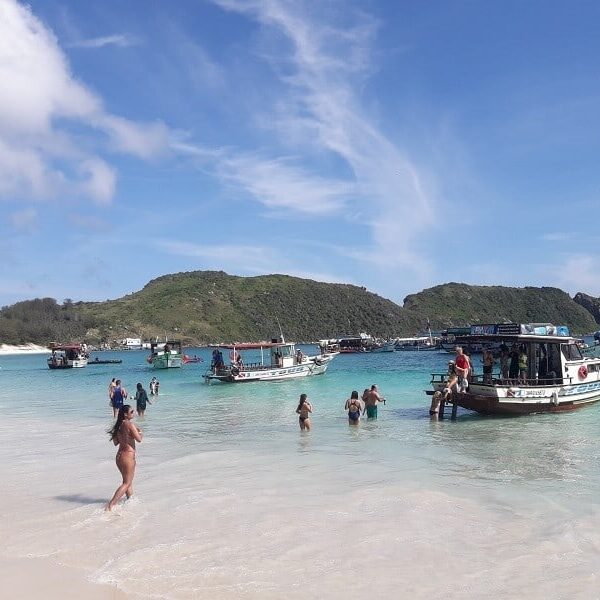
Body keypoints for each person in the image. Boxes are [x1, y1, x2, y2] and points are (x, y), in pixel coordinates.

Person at [106, 405, 143, 511]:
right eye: (132, 411)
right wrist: (140, 432)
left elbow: (115, 443)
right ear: (125, 414)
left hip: (119, 457)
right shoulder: (130, 425)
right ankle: (111, 505)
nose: (134, 413)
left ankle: (130, 501)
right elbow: (139, 439)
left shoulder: (118, 425)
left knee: (127, 481)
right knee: (126, 483)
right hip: (128, 457)